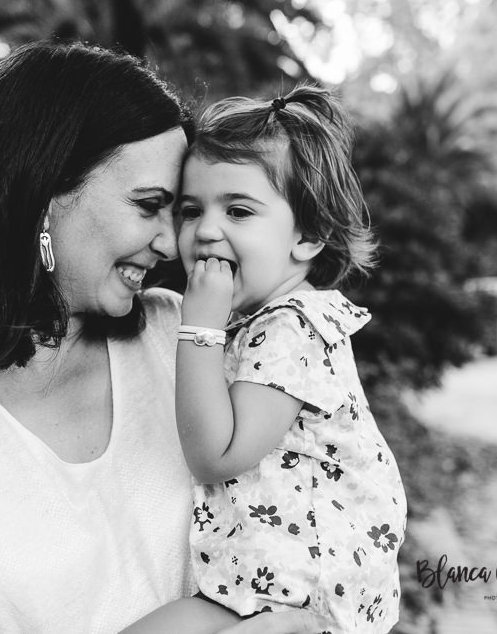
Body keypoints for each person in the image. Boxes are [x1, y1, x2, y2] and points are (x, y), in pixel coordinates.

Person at [0, 41, 320, 634]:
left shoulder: (186, 341)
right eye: (148, 205)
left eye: (176, 211)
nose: (172, 244)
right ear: (43, 197)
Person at [125, 86, 407, 633]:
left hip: (302, 603)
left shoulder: (295, 328)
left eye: (238, 210)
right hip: (254, 590)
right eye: (191, 210)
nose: (206, 230)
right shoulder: (256, 324)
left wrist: (199, 327)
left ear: (310, 235)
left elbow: (216, 453)